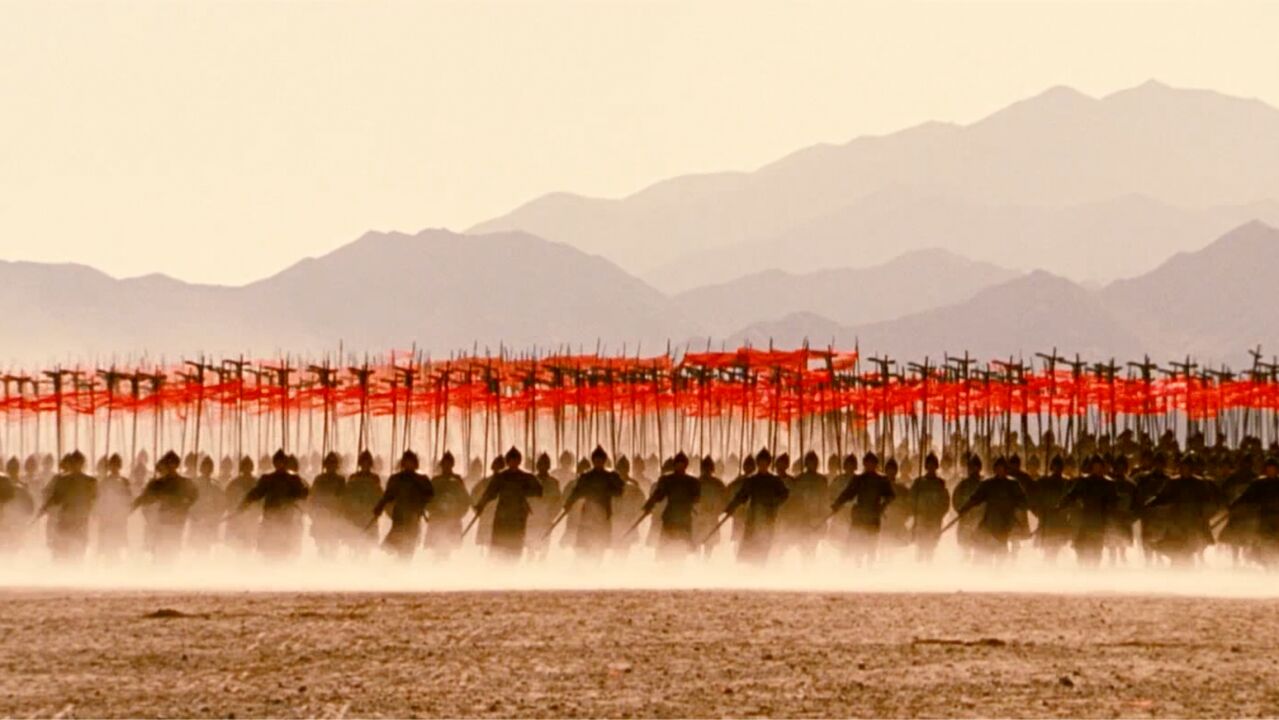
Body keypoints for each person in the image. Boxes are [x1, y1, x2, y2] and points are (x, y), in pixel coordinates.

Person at [1142, 453, 1220, 566]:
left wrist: (1204, 517)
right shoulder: (1173, 482)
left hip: (1193, 523)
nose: (1185, 470)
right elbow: (1162, 497)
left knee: (1189, 551)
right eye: (1183, 467)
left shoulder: (1200, 483)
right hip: (1176, 521)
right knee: (1175, 549)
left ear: (1192, 469)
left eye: (1187, 467)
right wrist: (1149, 504)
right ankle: (1175, 573)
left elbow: (1208, 502)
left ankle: (1188, 574)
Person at [236, 449, 310, 560]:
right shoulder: (268, 479)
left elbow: (303, 494)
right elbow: (256, 493)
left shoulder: (294, 478)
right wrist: (244, 503)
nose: (279, 464)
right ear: (274, 463)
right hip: (270, 518)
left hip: (287, 519)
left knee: (286, 551)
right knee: (269, 550)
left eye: (282, 462)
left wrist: (303, 492)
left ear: (285, 463)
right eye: (277, 462)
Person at [472, 447, 542, 561]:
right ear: (508, 461)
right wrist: (481, 505)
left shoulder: (526, 477)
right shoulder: (501, 477)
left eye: (516, 460)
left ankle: (513, 567)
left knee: (515, 545)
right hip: (503, 515)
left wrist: (524, 492)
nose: (513, 462)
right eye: (511, 459)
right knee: (499, 545)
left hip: (519, 515)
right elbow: (490, 493)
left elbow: (539, 491)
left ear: (519, 461)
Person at [954, 456, 1028, 562]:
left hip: (1006, 523)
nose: (1000, 470)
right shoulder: (988, 484)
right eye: (997, 468)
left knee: (1001, 557)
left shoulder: (1013, 485)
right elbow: (975, 498)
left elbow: (1023, 502)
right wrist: (964, 508)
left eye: (1002, 468)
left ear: (1006, 469)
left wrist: (1015, 506)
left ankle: (1000, 574)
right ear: (994, 469)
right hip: (990, 522)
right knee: (985, 555)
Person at [722, 448, 789, 565]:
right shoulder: (752, 480)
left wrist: (774, 502)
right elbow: (741, 496)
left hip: (768, 518)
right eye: (760, 462)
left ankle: (761, 571)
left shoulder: (775, 481)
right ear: (757, 463)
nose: (762, 465)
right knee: (748, 549)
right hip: (753, 518)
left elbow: (784, 494)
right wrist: (731, 507)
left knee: (764, 548)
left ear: (768, 464)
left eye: (765, 462)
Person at [131, 451, 199, 562]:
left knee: (171, 553)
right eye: (168, 463)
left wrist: (185, 504)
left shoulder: (185, 483)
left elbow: (194, 496)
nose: (171, 466)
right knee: (161, 553)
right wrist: (130, 508)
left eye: (172, 463)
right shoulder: (159, 483)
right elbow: (144, 498)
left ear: (176, 465)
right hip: (162, 522)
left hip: (176, 522)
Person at [830, 452, 895, 565]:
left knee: (871, 547)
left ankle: (870, 569)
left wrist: (882, 506)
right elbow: (847, 494)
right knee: (858, 547)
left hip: (873, 516)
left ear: (876, 464)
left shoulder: (881, 479)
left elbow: (890, 496)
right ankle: (858, 569)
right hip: (859, 516)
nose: (870, 465)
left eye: (872, 463)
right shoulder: (859, 479)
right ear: (864, 464)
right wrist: (837, 504)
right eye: (868, 463)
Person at [560, 446, 624, 560]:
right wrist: (568, 504)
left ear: (604, 461)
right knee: (584, 545)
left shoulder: (611, 476)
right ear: (593, 461)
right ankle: (584, 567)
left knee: (600, 544)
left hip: (604, 513)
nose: (598, 462)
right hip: (588, 513)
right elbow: (576, 492)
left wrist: (605, 490)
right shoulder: (586, 477)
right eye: (596, 459)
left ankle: (596, 566)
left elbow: (619, 492)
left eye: (601, 459)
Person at [369, 450, 434, 559]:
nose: (409, 464)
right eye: (407, 462)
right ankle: (390, 570)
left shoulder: (422, 479)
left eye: (411, 462)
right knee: (390, 549)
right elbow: (387, 496)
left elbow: (430, 495)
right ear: (403, 463)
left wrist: (421, 503)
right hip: (399, 517)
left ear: (415, 463)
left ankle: (403, 571)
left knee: (408, 549)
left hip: (413, 518)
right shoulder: (396, 479)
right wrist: (379, 508)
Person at [1058, 454, 1118, 567]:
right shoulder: (1083, 481)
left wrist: (1110, 517)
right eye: (1095, 466)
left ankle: (1093, 577)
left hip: (1099, 522)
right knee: (1081, 551)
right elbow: (1071, 495)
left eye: (1099, 466)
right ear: (1091, 467)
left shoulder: (1108, 484)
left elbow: (1113, 504)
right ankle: (1083, 575)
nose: (1097, 469)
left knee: (1096, 553)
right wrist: (1061, 505)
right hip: (1083, 521)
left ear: (1102, 467)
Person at [37, 451, 97, 562]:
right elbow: (55, 499)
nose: (75, 465)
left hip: (80, 521)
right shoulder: (62, 480)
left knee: (77, 554)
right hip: (66, 520)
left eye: (77, 462)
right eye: (74, 462)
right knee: (61, 554)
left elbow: (95, 500)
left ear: (82, 464)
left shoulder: (90, 481)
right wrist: (43, 510)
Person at [641, 451, 701, 560]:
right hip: (671, 514)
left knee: (686, 540)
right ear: (675, 465)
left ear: (686, 465)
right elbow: (658, 495)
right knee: (665, 540)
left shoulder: (692, 481)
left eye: (682, 464)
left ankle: (686, 551)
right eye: (678, 463)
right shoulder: (667, 480)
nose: (680, 466)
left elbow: (696, 498)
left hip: (684, 515)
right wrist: (649, 505)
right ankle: (662, 558)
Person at [781, 451, 828, 560]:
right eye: (810, 462)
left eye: (814, 462)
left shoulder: (822, 480)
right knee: (803, 549)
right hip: (802, 518)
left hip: (816, 517)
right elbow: (794, 499)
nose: (812, 464)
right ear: (806, 463)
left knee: (812, 549)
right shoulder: (799, 479)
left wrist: (823, 518)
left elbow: (825, 500)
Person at [424, 451, 471, 559]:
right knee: (437, 549)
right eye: (444, 464)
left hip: (452, 518)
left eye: (449, 463)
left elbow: (465, 500)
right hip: (437, 518)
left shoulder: (457, 481)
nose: (446, 466)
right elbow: (427, 498)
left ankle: (444, 571)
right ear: (442, 465)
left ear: (452, 464)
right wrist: (431, 510)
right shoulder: (435, 481)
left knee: (447, 549)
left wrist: (459, 513)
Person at [1029, 455, 1072, 562]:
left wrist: (1066, 512)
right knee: (1049, 550)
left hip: (1060, 520)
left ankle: (1050, 569)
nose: (1057, 469)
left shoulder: (1066, 482)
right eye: (1055, 466)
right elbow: (1035, 498)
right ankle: (1047, 570)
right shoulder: (1044, 482)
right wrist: (1040, 513)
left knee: (1054, 550)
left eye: (1059, 466)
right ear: (1052, 467)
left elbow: (1070, 500)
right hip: (1047, 519)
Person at [909, 452, 950, 562]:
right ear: (926, 466)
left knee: (930, 547)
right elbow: (911, 499)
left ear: (936, 466)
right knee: (920, 546)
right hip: (921, 518)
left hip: (934, 519)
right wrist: (915, 512)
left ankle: (928, 569)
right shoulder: (918, 482)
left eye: (933, 464)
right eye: (929, 464)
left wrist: (940, 514)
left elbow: (945, 501)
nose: (931, 467)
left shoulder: (940, 483)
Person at [343, 450, 383, 553]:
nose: (365, 465)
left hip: (370, 514)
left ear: (370, 464)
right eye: (363, 462)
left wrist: (378, 508)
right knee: (355, 544)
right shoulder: (353, 477)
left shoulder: (375, 478)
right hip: (356, 515)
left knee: (367, 546)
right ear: (360, 463)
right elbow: (347, 496)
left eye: (367, 463)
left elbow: (378, 495)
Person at [308, 452, 347, 558]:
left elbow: (343, 498)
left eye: (333, 464)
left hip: (334, 515)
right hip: (321, 514)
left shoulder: (340, 480)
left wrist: (341, 514)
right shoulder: (319, 479)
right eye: (329, 464)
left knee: (333, 544)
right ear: (325, 465)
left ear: (336, 465)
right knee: (321, 543)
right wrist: (313, 513)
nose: (331, 466)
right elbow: (312, 497)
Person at [95, 453, 132, 561]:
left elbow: (129, 498)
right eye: (112, 465)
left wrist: (126, 510)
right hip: (107, 516)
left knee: (117, 544)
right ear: (109, 466)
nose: (114, 467)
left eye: (116, 465)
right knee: (107, 545)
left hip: (119, 516)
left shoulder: (125, 481)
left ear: (120, 466)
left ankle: (115, 564)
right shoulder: (104, 482)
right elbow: (99, 498)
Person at [526, 452, 562, 557]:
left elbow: (558, 501)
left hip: (546, 518)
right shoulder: (530, 481)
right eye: (541, 464)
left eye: (545, 464)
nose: (543, 466)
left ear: (549, 466)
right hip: (532, 517)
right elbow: (525, 499)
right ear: (537, 465)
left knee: (544, 550)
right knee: (531, 550)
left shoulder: (553, 482)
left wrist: (553, 514)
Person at [187, 455, 225, 554]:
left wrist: (215, 517)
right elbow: (187, 503)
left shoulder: (215, 486)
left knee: (205, 550)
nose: (207, 470)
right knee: (197, 550)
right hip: (196, 519)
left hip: (209, 521)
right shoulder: (193, 484)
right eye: (205, 467)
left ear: (212, 469)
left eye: (209, 467)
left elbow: (222, 505)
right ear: (201, 468)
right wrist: (194, 517)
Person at [223, 457, 258, 552]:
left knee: (249, 546)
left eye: (249, 466)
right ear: (242, 468)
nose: (247, 469)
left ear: (251, 467)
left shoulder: (257, 483)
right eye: (245, 466)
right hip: (237, 518)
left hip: (252, 518)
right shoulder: (234, 483)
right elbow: (227, 500)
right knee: (238, 547)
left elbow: (261, 501)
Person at [952, 455, 984, 560]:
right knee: (965, 550)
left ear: (979, 468)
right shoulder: (963, 484)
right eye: (971, 467)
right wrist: (960, 510)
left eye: (975, 467)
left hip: (980, 521)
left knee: (979, 551)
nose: (973, 469)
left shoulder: (984, 484)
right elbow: (955, 499)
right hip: (966, 519)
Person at [694, 455, 727, 555]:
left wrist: (717, 511)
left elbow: (724, 500)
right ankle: (699, 564)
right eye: (705, 468)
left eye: (708, 468)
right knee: (698, 543)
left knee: (709, 543)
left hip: (711, 516)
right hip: (698, 516)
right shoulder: (695, 483)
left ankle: (705, 564)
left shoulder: (718, 484)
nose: (707, 470)